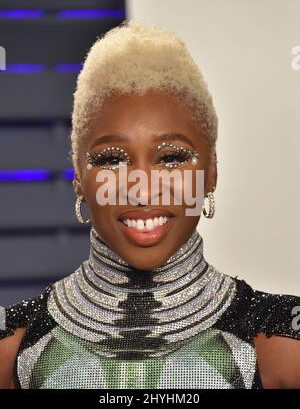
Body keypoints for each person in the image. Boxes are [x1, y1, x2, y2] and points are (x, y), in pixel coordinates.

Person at [0, 19, 300, 389]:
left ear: (211, 174)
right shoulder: (12, 349)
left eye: (171, 158)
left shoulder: (284, 344)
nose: (142, 190)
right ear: (79, 178)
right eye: (111, 159)